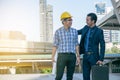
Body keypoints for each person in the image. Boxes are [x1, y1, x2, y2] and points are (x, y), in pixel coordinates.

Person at [52, 11, 80, 80]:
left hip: (72, 56)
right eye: (69, 20)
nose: (71, 21)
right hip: (62, 56)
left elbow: (76, 45)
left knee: (70, 77)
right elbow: (55, 45)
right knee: (59, 76)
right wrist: (52, 56)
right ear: (63, 21)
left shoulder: (74, 31)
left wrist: (78, 56)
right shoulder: (58, 32)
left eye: (71, 20)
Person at [78, 13, 105, 80]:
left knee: (96, 77)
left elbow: (102, 45)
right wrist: (67, 28)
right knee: (85, 77)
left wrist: (101, 59)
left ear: (93, 21)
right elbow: (76, 32)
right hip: (85, 56)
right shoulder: (85, 28)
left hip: (94, 57)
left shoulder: (99, 31)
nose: (86, 21)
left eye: (87, 20)